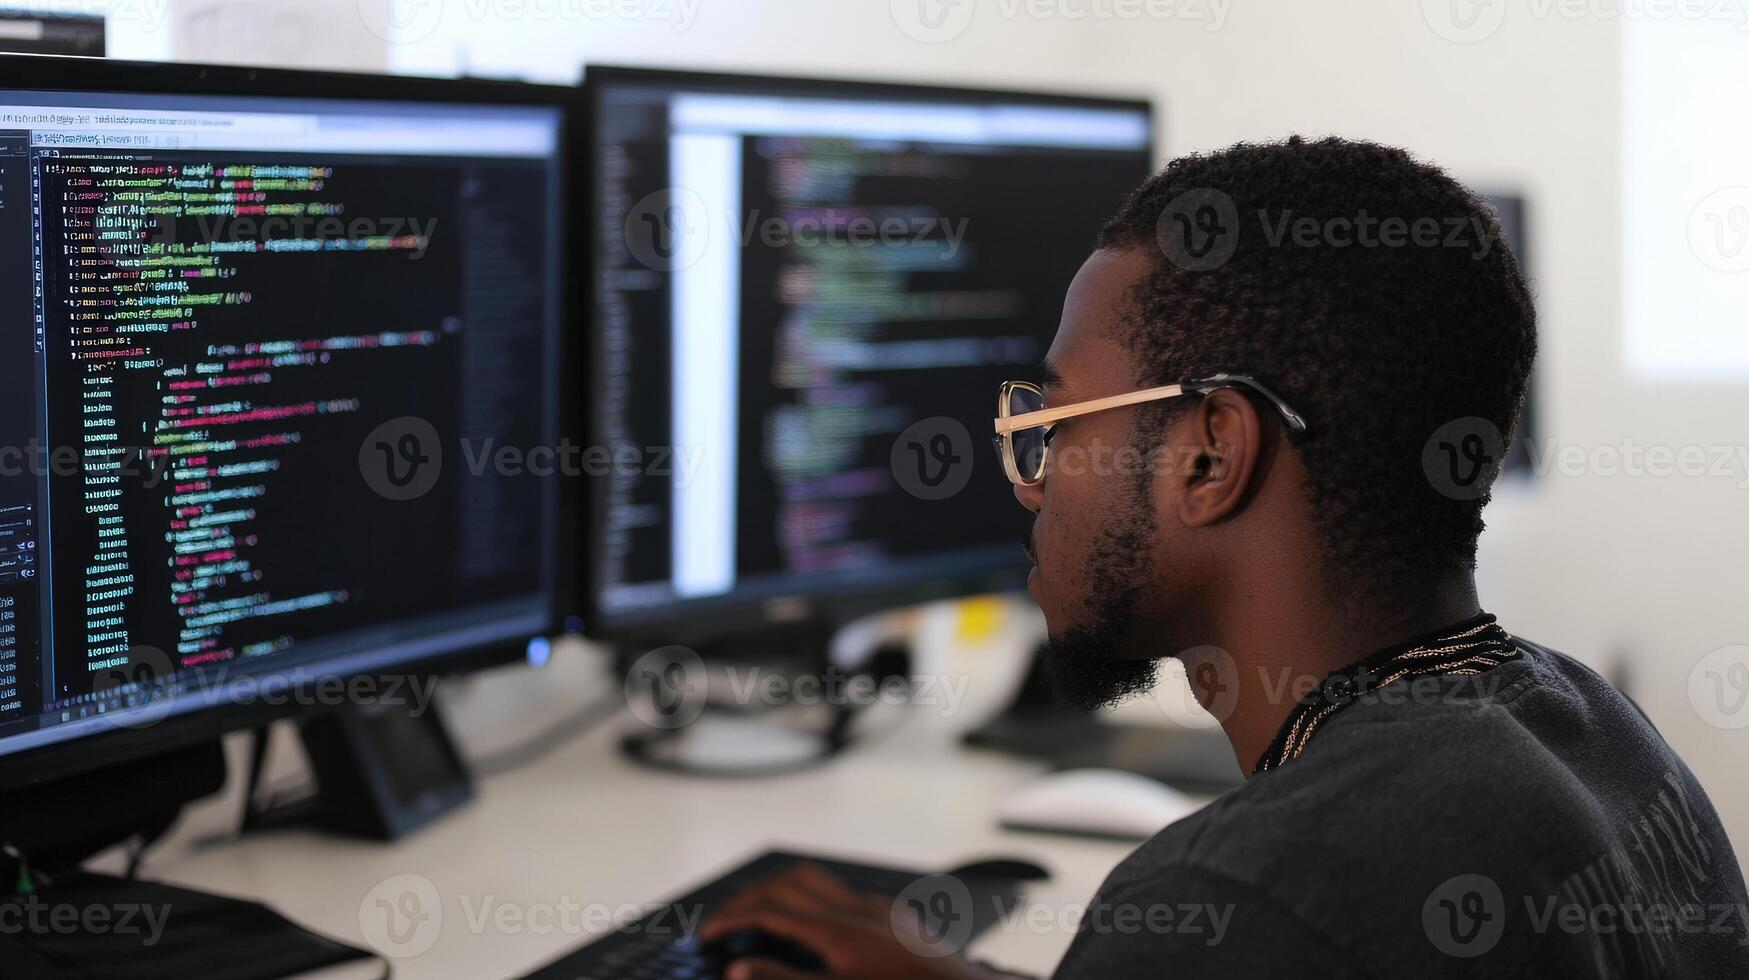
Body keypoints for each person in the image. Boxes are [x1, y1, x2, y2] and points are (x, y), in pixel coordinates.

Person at [697, 136, 1749, 978]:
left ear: (1210, 453)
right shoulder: (1598, 730)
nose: (1029, 475)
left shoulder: (1240, 902)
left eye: (1059, 419)